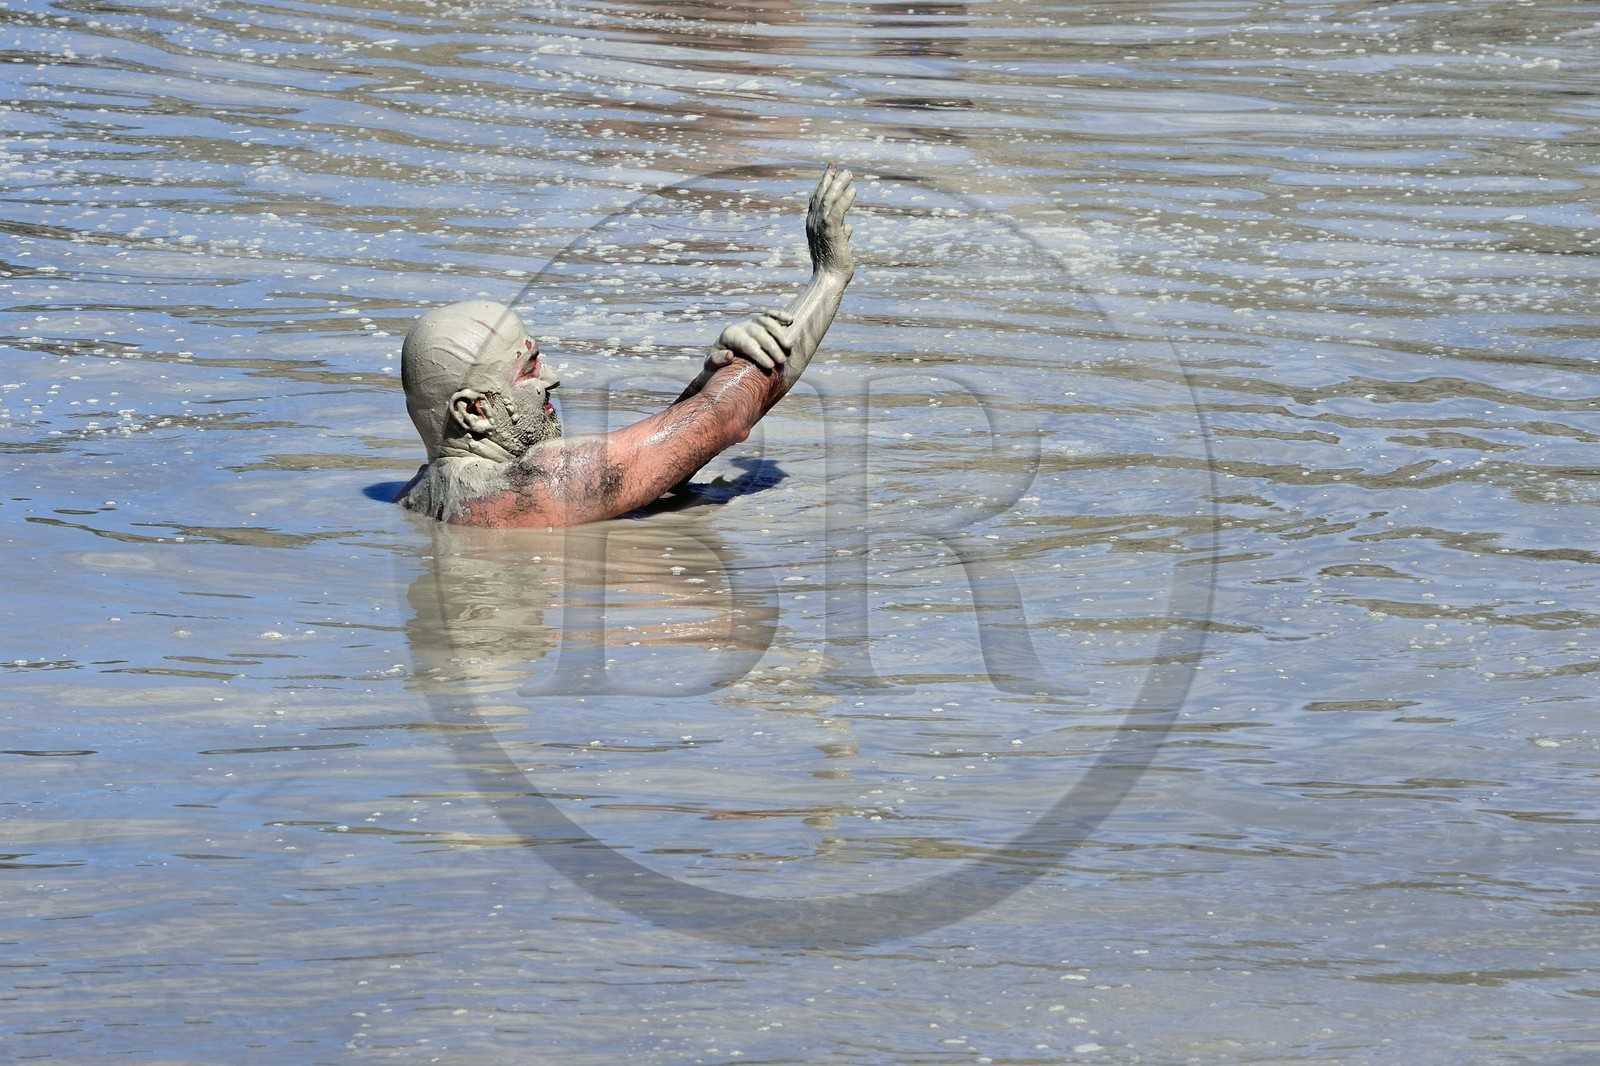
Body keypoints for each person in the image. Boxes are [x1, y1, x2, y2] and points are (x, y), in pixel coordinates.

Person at [396, 164, 856, 528]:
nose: (553, 377)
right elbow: (722, 419)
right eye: (530, 368)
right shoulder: (541, 481)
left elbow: (656, 467)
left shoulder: (420, 496)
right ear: (473, 411)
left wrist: (711, 377)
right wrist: (828, 278)